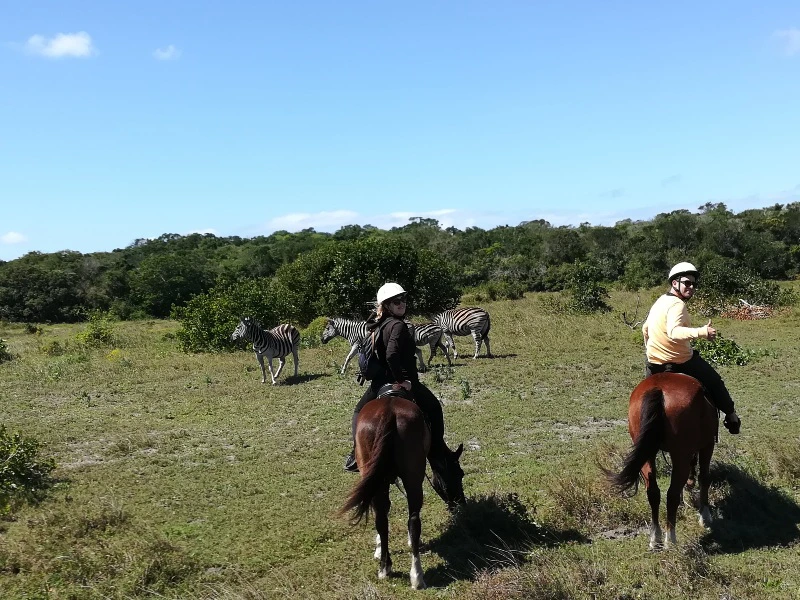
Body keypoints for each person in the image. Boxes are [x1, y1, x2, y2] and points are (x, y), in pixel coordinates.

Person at [344, 282, 448, 472]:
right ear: (387, 306)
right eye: (396, 301)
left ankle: (355, 454)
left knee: (359, 411)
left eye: (403, 300)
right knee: (434, 407)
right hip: (404, 381)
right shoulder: (398, 325)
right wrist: (402, 380)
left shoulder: (378, 324)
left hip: (379, 383)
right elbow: (391, 354)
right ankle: (438, 450)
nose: (402, 304)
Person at [642, 262, 741, 434]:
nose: (691, 287)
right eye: (687, 283)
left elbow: (645, 329)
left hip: (654, 363)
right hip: (681, 361)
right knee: (715, 381)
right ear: (675, 283)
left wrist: (652, 350)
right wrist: (702, 332)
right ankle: (731, 416)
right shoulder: (677, 304)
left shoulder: (660, 301)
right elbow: (674, 332)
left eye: (694, 284)